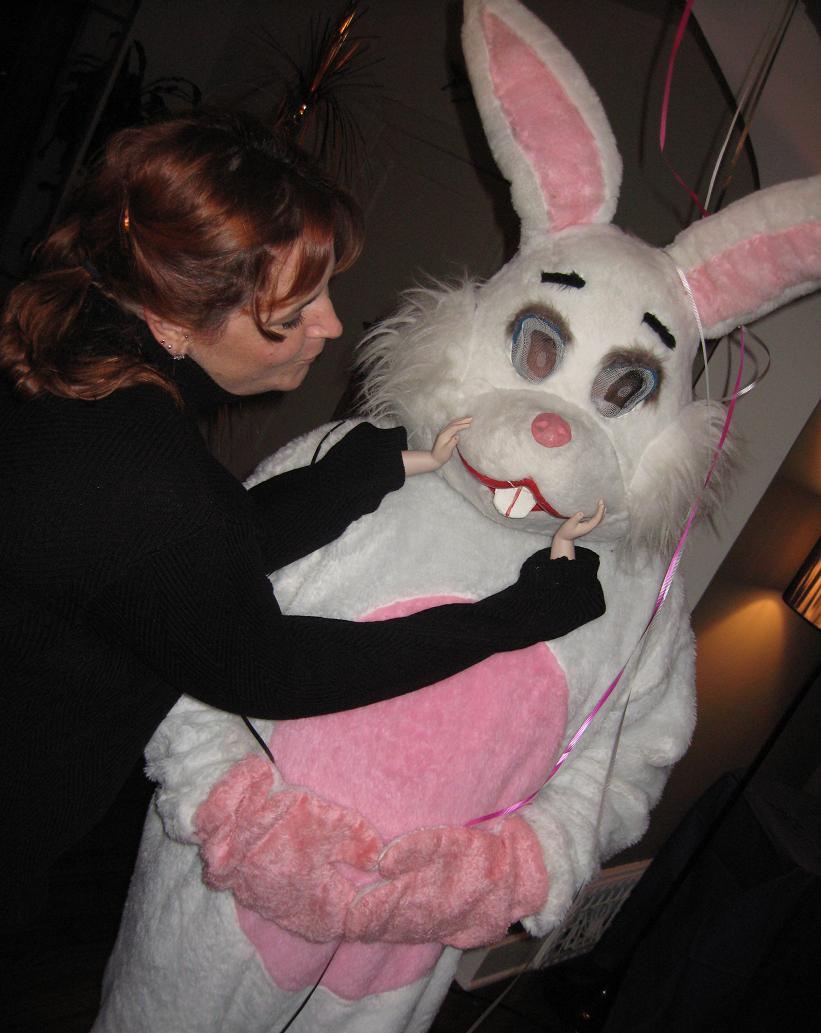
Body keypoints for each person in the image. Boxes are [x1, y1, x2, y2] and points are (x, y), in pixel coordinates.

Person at [0, 110, 605, 931]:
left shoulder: (86, 371)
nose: (330, 324)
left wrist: (352, 481)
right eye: (292, 310)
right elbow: (271, 668)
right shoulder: (140, 468)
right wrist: (512, 617)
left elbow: (172, 569)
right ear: (176, 313)